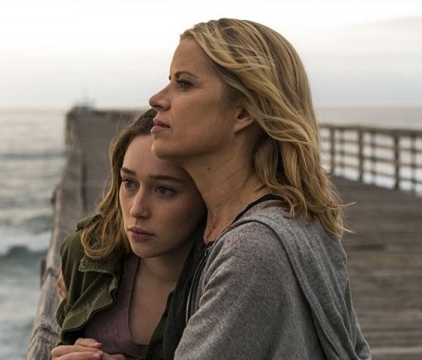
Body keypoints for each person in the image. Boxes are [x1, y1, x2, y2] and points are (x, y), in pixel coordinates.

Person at [149, 18, 371, 359]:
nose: (156, 99)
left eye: (184, 84)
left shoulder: (252, 252)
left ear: (243, 112)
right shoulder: (275, 224)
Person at [51, 109, 206, 360]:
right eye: (129, 183)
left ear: (206, 194)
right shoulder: (85, 256)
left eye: (163, 190)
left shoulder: (225, 282)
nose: (136, 209)